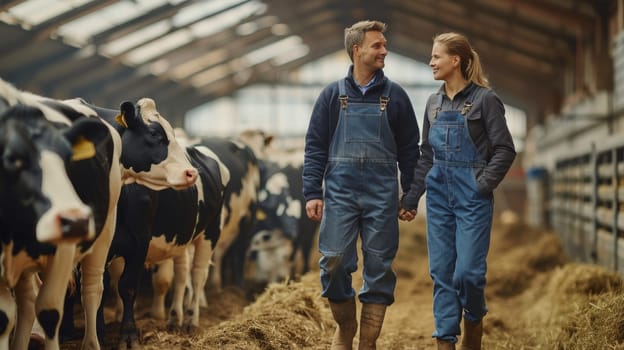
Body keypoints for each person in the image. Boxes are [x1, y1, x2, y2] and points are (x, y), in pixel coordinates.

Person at [302, 20, 420, 349]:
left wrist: (409, 195)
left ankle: (367, 343)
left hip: (383, 194)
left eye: (384, 45)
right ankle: (346, 325)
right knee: (334, 261)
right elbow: (315, 146)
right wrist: (313, 191)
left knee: (379, 268)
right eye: (377, 45)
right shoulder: (331, 95)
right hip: (340, 192)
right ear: (357, 50)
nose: (384, 50)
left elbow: (411, 149)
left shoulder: (395, 95)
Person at [400, 32, 516, 350]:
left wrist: (482, 184)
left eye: (436, 56)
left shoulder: (485, 100)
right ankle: (446, 340)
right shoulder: (433, 104)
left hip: (472, 198)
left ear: (456, 61)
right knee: (442, 272)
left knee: (468, 274)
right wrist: (411, 197)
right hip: (438, 197)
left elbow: (505, 150)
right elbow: (427, 155)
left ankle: (474, 322)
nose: (431, 62)